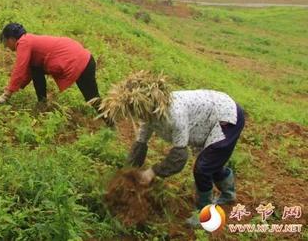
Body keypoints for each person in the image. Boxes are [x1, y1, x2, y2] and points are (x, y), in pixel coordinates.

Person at [100, 73, 245, 227]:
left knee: (203, 168)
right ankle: (229, 195)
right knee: (212, 162)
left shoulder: (173, 115)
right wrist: (128, 172)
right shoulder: (149, 113)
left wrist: (152, 172)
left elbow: (179, 157)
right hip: (210, 115)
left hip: (227, 118)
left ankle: (205, 214)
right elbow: (140, 144)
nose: (138, 117)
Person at [0, 23, 101, 107]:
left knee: (92, 98)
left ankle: (110, 122)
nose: (6, 46)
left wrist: (7, 94)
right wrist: (16, 86)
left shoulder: (23, 42)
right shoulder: (30, 40)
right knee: (36, 70)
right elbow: (28, 71)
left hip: (79, 62)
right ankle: (42, 102)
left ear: (12, 39)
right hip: (84, 58)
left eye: (5, 42)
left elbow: (19, 68)